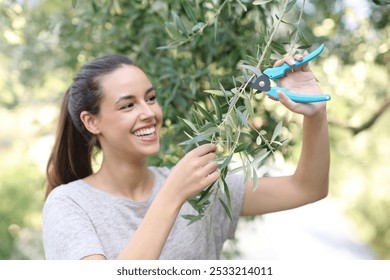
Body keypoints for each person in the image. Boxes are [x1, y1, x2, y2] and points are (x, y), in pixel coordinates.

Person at [42, 52, 330, 260]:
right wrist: (171, 196)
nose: (149, 113)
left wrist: (316, 115)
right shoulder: (68, 205)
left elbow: (307, 188)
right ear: (92, 122)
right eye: (128, 105)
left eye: (150, 98)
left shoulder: (198, 186)